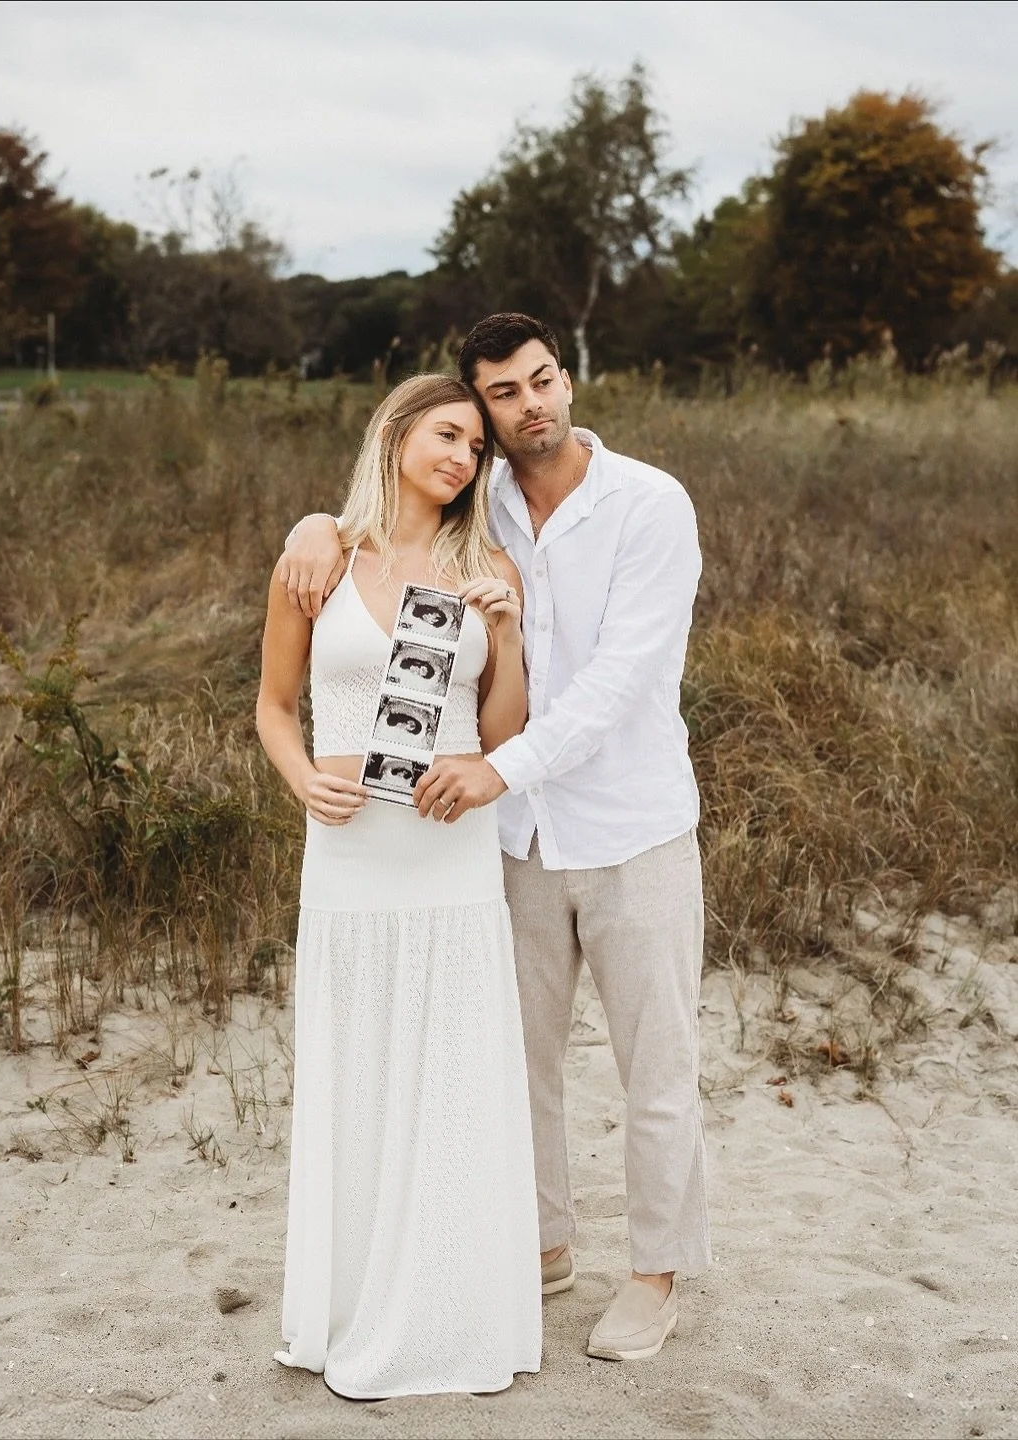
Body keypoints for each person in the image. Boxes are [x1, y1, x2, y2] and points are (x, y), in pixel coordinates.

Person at [280, 313, 710, 1364]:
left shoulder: (649, 504)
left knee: (656, 1065)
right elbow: (386, 532)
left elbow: (620, 681)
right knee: (520, 1063)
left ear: (568, 378)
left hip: (628, 825)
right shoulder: (483, 507)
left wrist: (498, 768)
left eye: (542, 380)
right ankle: (543, 1244)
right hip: (506, 839)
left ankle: (653, 1278)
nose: (530, 407)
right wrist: (311, 525)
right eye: (504, 397)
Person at [257, 372, 540, 1398]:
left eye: (476, 448)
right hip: (348, 851)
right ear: (397, 432)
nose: (462, 457)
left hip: (447, 850)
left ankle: (449, 1309)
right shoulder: (320, 555)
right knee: (359, 1066)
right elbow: (275, 708)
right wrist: (300, 786)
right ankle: (346, 1307)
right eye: (447, 434)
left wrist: (504, 630)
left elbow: (506, 733)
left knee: (450, 1072)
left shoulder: (486, 565)